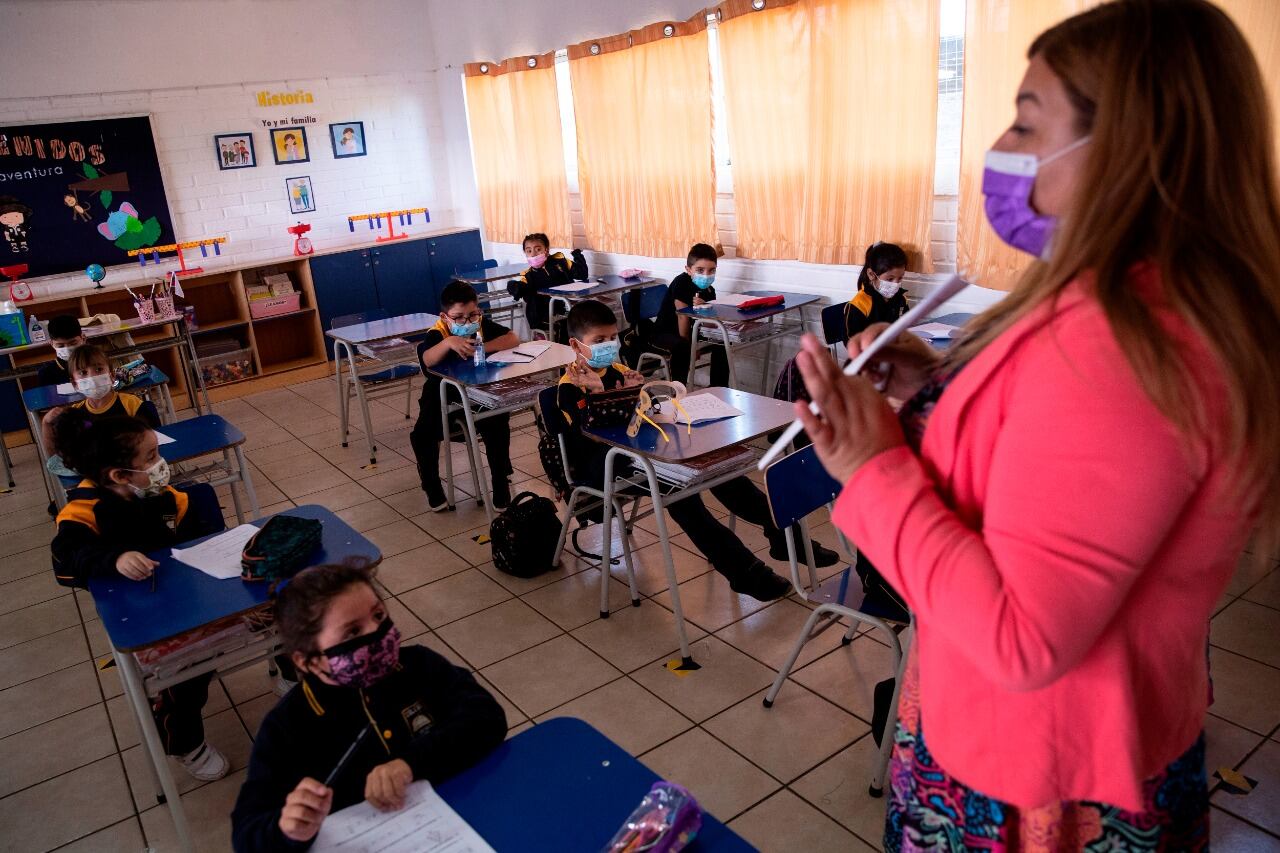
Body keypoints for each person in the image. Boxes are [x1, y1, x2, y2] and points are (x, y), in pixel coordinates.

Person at [791, 1, 1280, 849]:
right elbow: (1054, 474)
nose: (1000, 152)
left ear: (1131, 145)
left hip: (1034, 781)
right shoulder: (1131, 306)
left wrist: (872, 466)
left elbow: (1023, 638)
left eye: (1025, 123)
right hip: (1059, 739)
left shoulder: (1125, 346)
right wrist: (937, 395)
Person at [557, 300, 838, 602]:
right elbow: (596, 434)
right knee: (682, 495)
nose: (609, 346)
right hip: (601, 465)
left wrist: (640, 391)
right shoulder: (570, 385)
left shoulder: (617, 370)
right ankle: (745, 573)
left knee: (722, 471)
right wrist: (601, 392)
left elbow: (641, 417)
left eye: (612, 338)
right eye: (598, 341)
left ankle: (786, 539)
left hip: (638, 454)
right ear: (575, 344)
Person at [231, 561, 506, 852]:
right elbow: (247, 836)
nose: (377, 631)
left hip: (461, 821)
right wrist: (286, 828)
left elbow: (487, 717)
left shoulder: (418, 665)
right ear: (307, 660)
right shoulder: (286, 727)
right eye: (351, 632)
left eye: (378, 614)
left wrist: (410, 763)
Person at [50, 413, 229, 781]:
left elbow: (191, 530)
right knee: (183, 674)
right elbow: (67, 561)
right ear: (118, 475)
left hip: (182, 593)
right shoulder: (83, 510)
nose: (160, 463)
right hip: (139, 610)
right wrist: (113, 558)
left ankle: (285, 672)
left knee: (277, 602)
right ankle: (184, 743)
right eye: (150, 457)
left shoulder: (160, 494)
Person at [410, 281, 520, 512]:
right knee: (422, 435)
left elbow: (512, 339)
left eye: (472, 315)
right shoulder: (438, 332)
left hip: (478, 395)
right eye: (459, 317)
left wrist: (484, 346)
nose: (467, 322)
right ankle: (431, 485)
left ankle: (500, 482)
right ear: (445, 316)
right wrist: (449, 342)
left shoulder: (479, 324)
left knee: (498, 420)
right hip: (442, 400)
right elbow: (427, 359)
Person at [41, 343, 159, 456]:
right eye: (83, 372)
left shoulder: (132, 405)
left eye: (98, 370)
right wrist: (46, 424)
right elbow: (58, 457)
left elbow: (152, 445)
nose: (92, 377)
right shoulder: (75, 415)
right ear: (74, 384)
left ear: (112, 376)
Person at [654, 243, 729, 387]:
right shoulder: (681, 283)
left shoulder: (709, 290)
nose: (706, 275)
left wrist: (705, 309)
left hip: (692, 331)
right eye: (700, 270)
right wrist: (691, 347)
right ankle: (678, 390)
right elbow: (683, 317)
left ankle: (719, 388)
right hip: (666, 332)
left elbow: (708, 323)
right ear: (688, 270)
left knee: (722, 340)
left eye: (711, 270)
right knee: (682, 347)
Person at [508, 232, 588, 341]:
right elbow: (518, 290)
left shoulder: (561, 262)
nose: (533, 254)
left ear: (546, 250)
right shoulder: (527, 276)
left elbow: (582, 274)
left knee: (586, 317)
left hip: (568, 308)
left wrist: (577, 254)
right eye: (529, 251)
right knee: (566, 326)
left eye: (538, 249)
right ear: (525, 253)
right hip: (545, 316)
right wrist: (514, 286)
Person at [844, 241, 909, 343]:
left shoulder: (901, 299)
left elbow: (907, 327)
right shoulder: (859, 305)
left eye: (900, 278)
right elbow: (852, 343)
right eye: (890, 279)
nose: (896, 284)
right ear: (871, 274)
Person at [36, 314, 85, 386]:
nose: (67, 349)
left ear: (83, 338)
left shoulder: (97, 363)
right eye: (61, 346)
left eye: (73, 343)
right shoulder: (46, 373)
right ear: (52, 344)